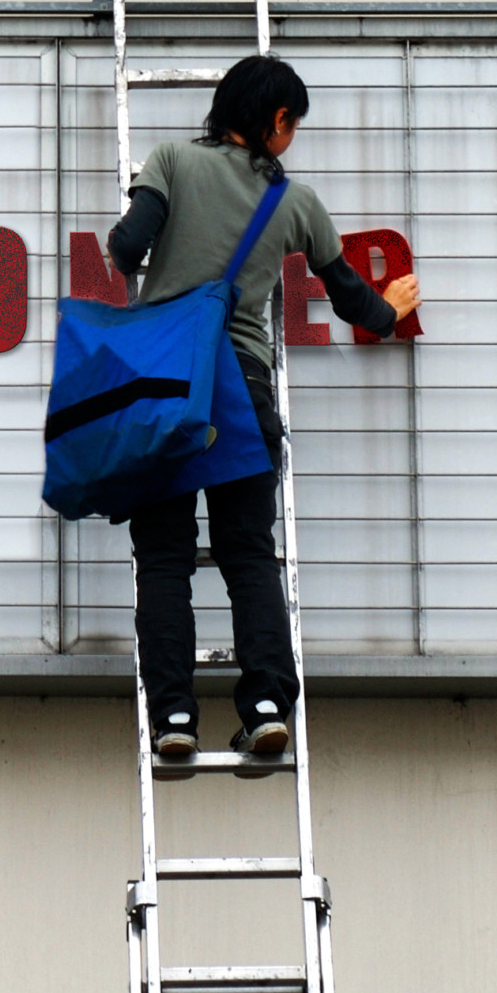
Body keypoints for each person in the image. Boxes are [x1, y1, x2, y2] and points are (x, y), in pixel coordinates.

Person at [107, 55, 421, 759]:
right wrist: (392, 309)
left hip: (162, 390)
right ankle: (269, 701)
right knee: (249, 551)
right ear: (276, 121)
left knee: (162, 559)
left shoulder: (171, 160)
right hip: (241, 387)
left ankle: (174, 719)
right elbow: (352, 300)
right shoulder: (296, 202)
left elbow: (127, 248)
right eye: (294, 126)